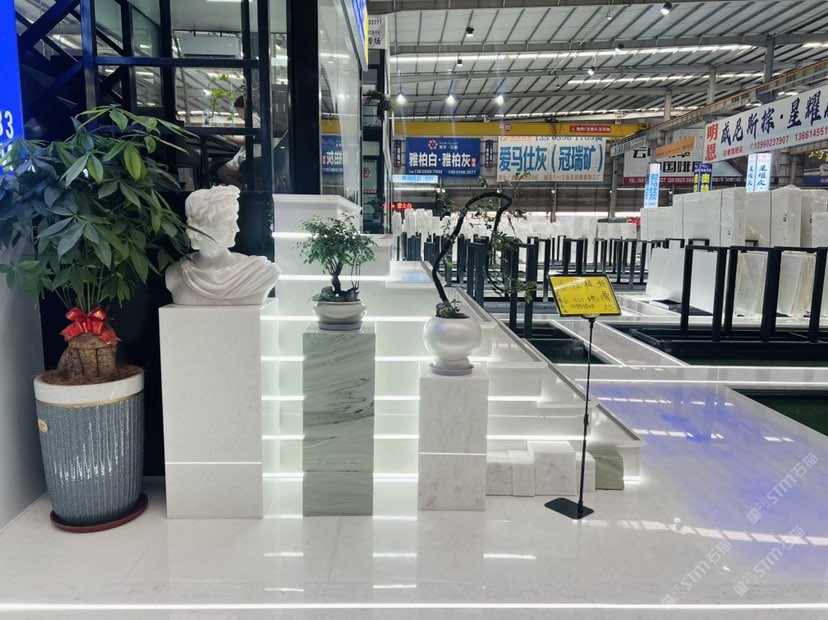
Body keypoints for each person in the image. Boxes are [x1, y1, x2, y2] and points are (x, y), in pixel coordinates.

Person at [165, 185, 280, 305]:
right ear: (199, 229)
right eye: (226, 222)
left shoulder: (259, 272)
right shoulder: (176, 274)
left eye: (234, 220)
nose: (236, 228)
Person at [216, 96, 261, 190]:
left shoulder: (252, 119)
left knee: (222, 172)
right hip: (258, 155)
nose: (239, 114)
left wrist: (228, 137)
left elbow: (245, 142)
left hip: (252, 156)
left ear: (245, 108)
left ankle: (244, 192)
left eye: (238, 110)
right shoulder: (257, 118)